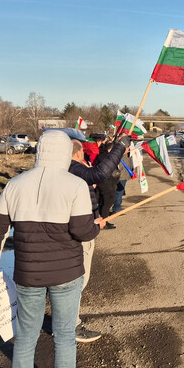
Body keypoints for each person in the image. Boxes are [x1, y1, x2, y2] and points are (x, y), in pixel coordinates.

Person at [0, 130, 105, 368]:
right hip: (67, 274)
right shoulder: (75, 185)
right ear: (65, 153)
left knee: (26, 335)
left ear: (39, 151)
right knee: (65, 335)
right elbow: (83, 232)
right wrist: (97, 226)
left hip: (28, 274)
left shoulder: (14, 184)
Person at [68, 133, 131, 343]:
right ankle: (71, 326)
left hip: (72, 228)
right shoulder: (73, 168)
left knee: (68, 282)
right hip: (80, 232)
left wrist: (96, 217)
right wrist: (121, 146)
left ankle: (65, 322)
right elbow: (100, 173)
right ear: (78, 154)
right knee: (77, 280)